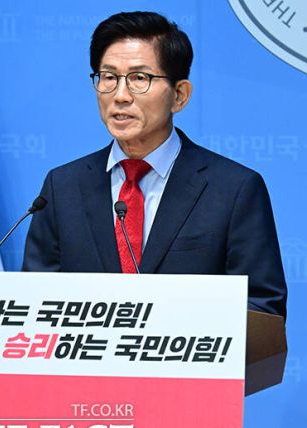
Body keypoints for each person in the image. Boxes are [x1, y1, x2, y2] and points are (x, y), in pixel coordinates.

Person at [22, 11, 287, 320]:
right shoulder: (62, 187)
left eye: (139, 78)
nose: (120, 96)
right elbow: (34, 302)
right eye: (108, 77)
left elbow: (262, 307)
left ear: (179, 95)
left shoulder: (233, 190)